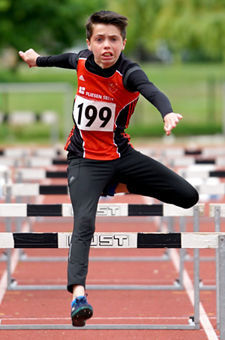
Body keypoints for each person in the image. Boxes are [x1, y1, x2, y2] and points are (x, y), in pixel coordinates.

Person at [19, 10, 199, 327]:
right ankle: (78, 296)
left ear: (123, 43)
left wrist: (167, 113)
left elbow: (152, 90)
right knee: (84, 223)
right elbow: (62, 58)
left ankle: (114, 185)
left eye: (113, 40)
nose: (106, 46)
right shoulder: (81, 61)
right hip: (84, 161)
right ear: (90, 43)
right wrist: (37, 60)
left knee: (188, 196)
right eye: (99, 39)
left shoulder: (129, 73)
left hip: (122, 156)